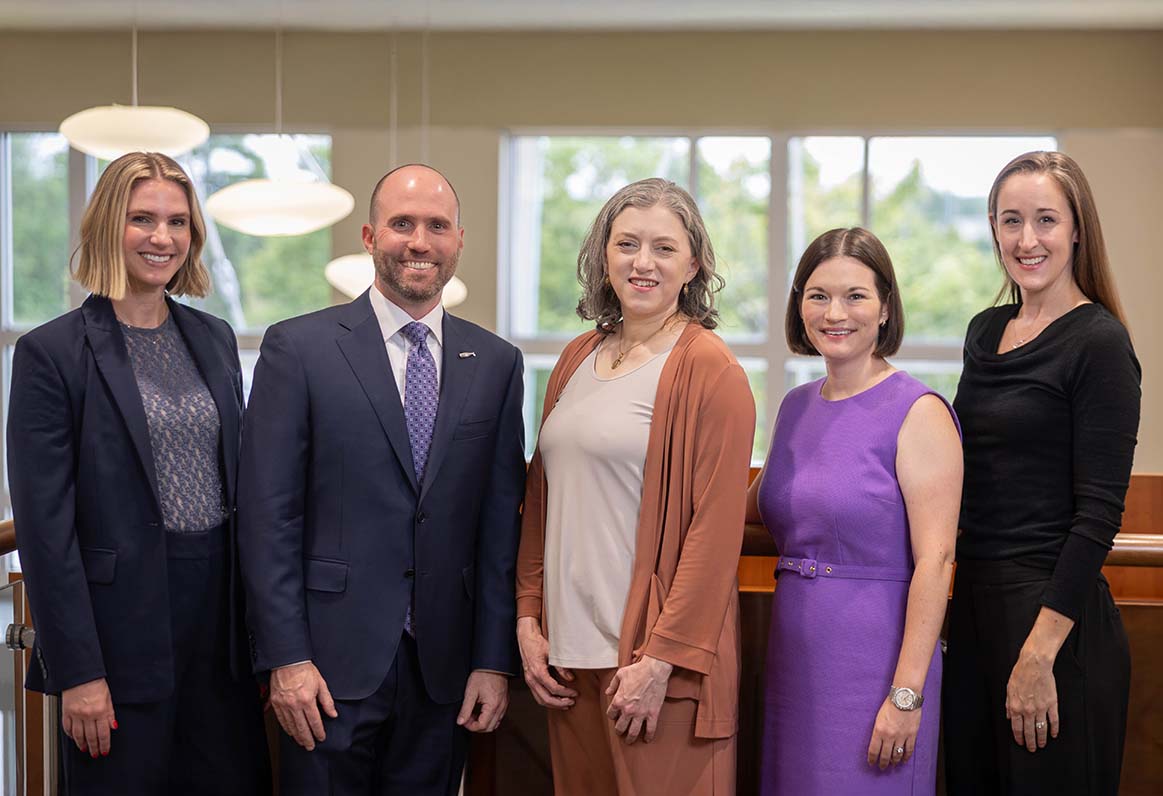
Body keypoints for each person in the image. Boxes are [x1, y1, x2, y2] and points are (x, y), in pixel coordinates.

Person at [238, 163, 526, 795]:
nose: (419, 241)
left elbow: (500, 527)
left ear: (458, 241)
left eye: (436, 226)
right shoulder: (299, 349)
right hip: (324, 669)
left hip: (443, 671)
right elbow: (266, 518)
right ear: (369, 237)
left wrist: (490, 660)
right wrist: (285, 659)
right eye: (402, 224)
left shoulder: (498, 364)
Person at [7, 152, 270, 794]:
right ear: (106, 227)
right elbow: (46, 533)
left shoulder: (213, 338)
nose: (162, 237)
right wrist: (78, 672)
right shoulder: (51, 353)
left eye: (178, 222)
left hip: (220, 633)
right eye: (142, 219)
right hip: (115, 637)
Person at [515, 178, 755, 796]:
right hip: (569, 660)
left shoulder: (710, 368)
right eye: (626, 244)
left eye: (663, 248)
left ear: (693, 263)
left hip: (656, 666)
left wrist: (662, 659)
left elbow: (715, 529)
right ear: (603, 254)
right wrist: (528, 619)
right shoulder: (574, 358)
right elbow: (540, 502)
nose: (642, 263)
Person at [943, 151, 1140, 795]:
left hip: (1053, 626)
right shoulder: (984, 331)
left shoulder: (1100, 343)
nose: (1027, 240)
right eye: (1010, 221)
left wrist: (1038, 653)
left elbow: (1098, 516)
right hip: (972, 612)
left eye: (1046, 220)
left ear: (1077, 228)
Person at [748, 227, 962, 795]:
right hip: (794, 656)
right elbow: (752, 508)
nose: (834, 312)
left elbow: (937, 561)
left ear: (886, 308)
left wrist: (906, 694)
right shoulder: (795, 408)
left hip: (878, 666)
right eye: (817, 295)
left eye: (855, 296)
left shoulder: (919, 410)